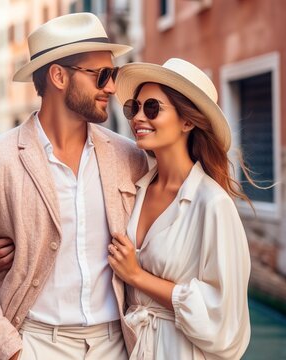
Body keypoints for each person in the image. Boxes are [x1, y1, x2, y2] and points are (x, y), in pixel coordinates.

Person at [0, 12, 148, 360]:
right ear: (58, 76)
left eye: (112, 75)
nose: (111, 87)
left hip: (117, 345)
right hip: (35, 344)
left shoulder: (130, 157)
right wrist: (10, 352)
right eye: (101, 75)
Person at [106, 58, 252, 359]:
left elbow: (225, 318)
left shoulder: (213, 204)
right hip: (132, 346)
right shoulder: (133, 189)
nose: (137, 119)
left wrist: (138, 276)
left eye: (152, 108)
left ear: (187, 121)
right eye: (135, 107)